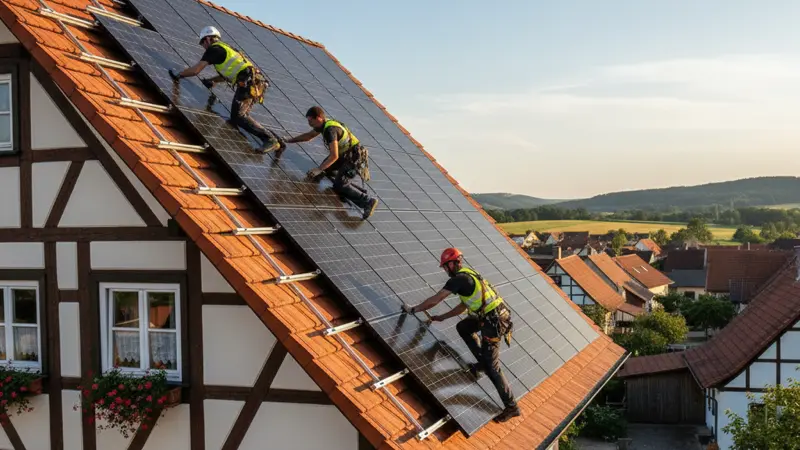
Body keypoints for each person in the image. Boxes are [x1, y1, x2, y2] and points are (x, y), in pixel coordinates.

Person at [402, 247, 521, 423]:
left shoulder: (459, 279)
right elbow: (464, 306)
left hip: (494, 323)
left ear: (453, 263)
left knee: (492, 367)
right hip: (489, 317)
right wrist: (442, 317)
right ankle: (482, 362)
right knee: (464, 327)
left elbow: (436, 299)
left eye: (445, 266)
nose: (445, 270)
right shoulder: (469, 275)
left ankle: (512, 406)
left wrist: (414, 309)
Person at [169, 26, 281, 154]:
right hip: (256, 82)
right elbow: (231, 73)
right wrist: (213, 81)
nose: (203, 46)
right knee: (242, 116)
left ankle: (269, 139)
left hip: (248, 82)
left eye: (202, 43)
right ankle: (278, 143)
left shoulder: (214, 49)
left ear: (208, 39)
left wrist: (179, 75)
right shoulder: (226, 49)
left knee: (237, 116)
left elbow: (196, 70)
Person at [284, 106, 379, 220]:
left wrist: (319, 169)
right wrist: (289, 140)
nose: (309, 123)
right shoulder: (323, 125)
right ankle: (347, 186)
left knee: (338, 184)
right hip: (344, 154)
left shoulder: (330, 130)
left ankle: (367, 201)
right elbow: (309, 136)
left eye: (311, 120)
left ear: (318, 118)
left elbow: (334, 156)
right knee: (325, 171)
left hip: (353, 157)